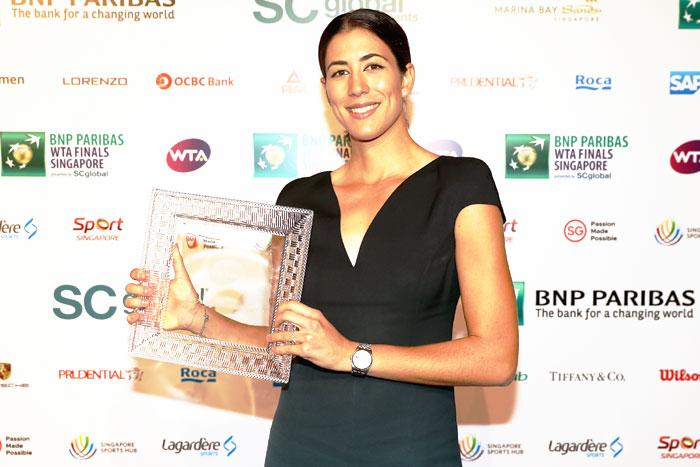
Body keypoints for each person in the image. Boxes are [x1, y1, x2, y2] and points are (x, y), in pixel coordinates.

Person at [125, 8, 518, 466]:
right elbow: (283, 346)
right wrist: (199, 319)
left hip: (411, 447)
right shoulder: (298, 197)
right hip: (302, 446)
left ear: (406, 78)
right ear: (326, 90)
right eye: (339, 72)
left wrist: (353, 355)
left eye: (373, 66)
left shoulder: (461, 184)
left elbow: (496, 357)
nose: (356, 87)